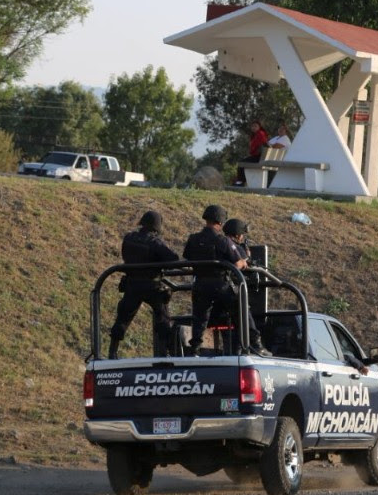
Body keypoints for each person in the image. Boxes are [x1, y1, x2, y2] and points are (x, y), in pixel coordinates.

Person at [182, 205, 269, 356]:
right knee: (242, 309)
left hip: (200, 285)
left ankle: (195, 348)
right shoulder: (222, 240)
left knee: (199, 318)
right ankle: (256, 344)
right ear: (221, 222)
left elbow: (187, 258)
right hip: (220, 285)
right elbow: (237, 262)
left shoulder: (193, 239)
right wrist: (243, 262)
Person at [108, 210, 180, 359]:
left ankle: (112, 351)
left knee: (123, 319)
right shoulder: (155, 242)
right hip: (152, 286)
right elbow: (172, 259)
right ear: (157, 226)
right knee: (163, 318)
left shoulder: (129, 238)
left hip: (132, 285)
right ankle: (168, 352)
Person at [234, 121, 269, 186]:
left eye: (255, 126)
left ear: (259, 127)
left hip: (259, 157)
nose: (253, 127)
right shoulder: (257, 134)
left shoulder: (260, 134)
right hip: (259, 157)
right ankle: (240, 181)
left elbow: (258, 146)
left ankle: (240, 182)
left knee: (241, 163)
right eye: (252, 126)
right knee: (242, 162)